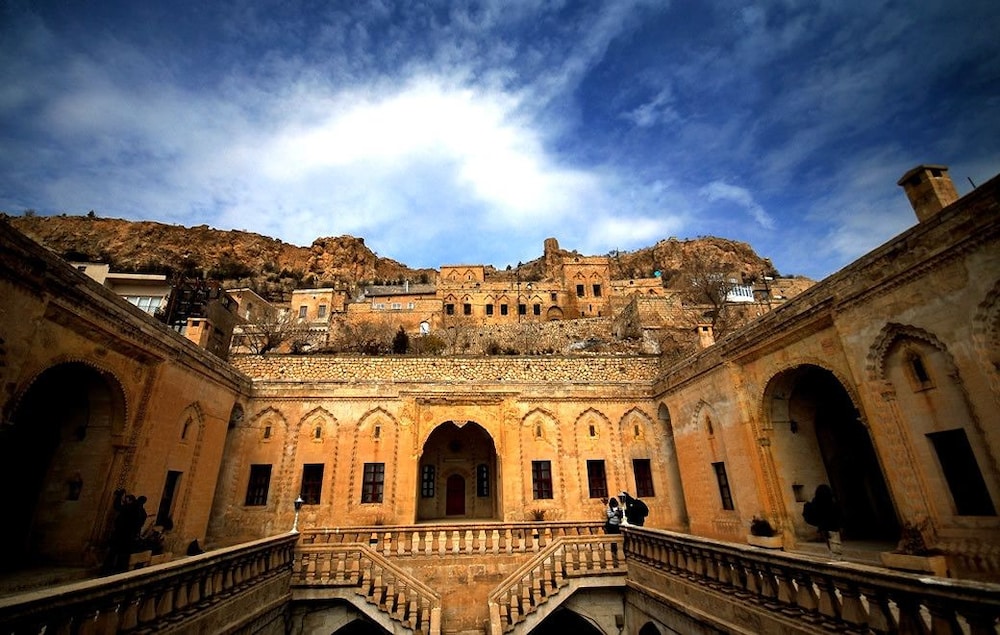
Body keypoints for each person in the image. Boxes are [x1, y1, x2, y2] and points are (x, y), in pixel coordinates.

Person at [803, 484, 842, 558]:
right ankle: (836, 555)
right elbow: (837, 512)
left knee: (828, 539)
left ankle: (833, 553)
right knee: (835, 540)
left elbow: (813, 511)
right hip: (833, 524)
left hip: (823, 524)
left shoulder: (816, 501)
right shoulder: (831, 501)